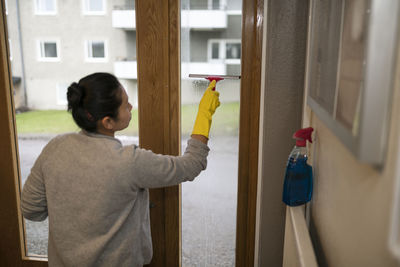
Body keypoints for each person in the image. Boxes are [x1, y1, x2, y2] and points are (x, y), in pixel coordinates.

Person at [21, 72, 220, 266]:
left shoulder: (55, 147)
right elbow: (192, 164)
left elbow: (31, 210)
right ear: (107, 122)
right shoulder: (128, 161)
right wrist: (204, 114)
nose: (131, 106)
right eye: (126, 105)